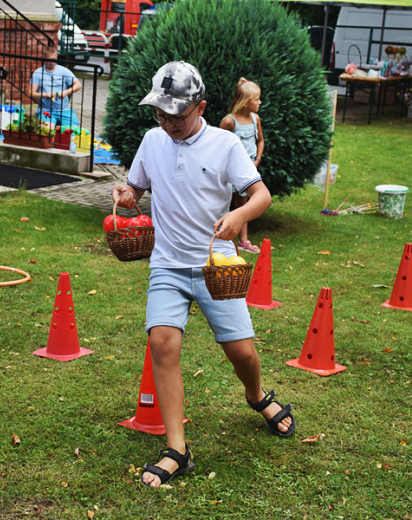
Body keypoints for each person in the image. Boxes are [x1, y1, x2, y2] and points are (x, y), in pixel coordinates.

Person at [111, 61, 295, 489]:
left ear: (202, 107)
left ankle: (257, 396)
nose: (168, 123)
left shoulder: (226, 145)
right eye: (161, 114)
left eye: (177, 115)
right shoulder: (152, 140)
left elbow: (260, 194)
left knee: (243, 355)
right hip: (168, 264)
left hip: (218, 267)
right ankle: (177, 448)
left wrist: (239, 215)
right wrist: (127, 193)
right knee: (162, 341)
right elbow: (135, 187)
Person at [219, 78, 264, 254]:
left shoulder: (255, 119)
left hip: (248, 170)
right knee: (223, 201)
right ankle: (219, 235)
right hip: (229, 170)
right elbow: (217, 146)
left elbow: (260, 141)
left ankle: (243, 240)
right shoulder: (229, 122)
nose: (260, 102)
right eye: (257, 99)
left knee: (243, 204)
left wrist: (257, 161)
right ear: (245, 103)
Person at [29, 45, 82, 131]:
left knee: (74, 132)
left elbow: (78, 84)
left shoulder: (63, 71)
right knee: (46, 132)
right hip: (46, 110)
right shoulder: (38, 73)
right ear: (44, 58)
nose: (51, 62)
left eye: (53, 60)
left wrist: (66, 92)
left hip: (64, 110)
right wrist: (46, 94)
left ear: (57, 57)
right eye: (49, 60)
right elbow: (31, 93)